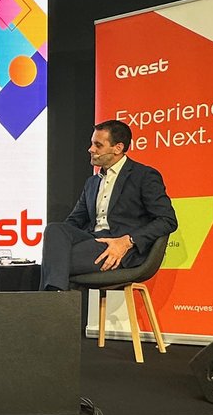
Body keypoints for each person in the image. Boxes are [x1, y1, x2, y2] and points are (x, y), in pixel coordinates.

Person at [39, 120, 178, 291]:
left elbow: (167, 220)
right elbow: (74, 222)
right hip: (93, 240)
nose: (91, 149)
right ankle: (56, 300)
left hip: (120, 247)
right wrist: (60, 245)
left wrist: (127, 241)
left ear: (117, 148)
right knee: (54, 230)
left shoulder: (144, 175)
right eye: (92, 143)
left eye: (98, 145)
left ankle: (53, 301)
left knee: (54, 263)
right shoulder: (92, 182)